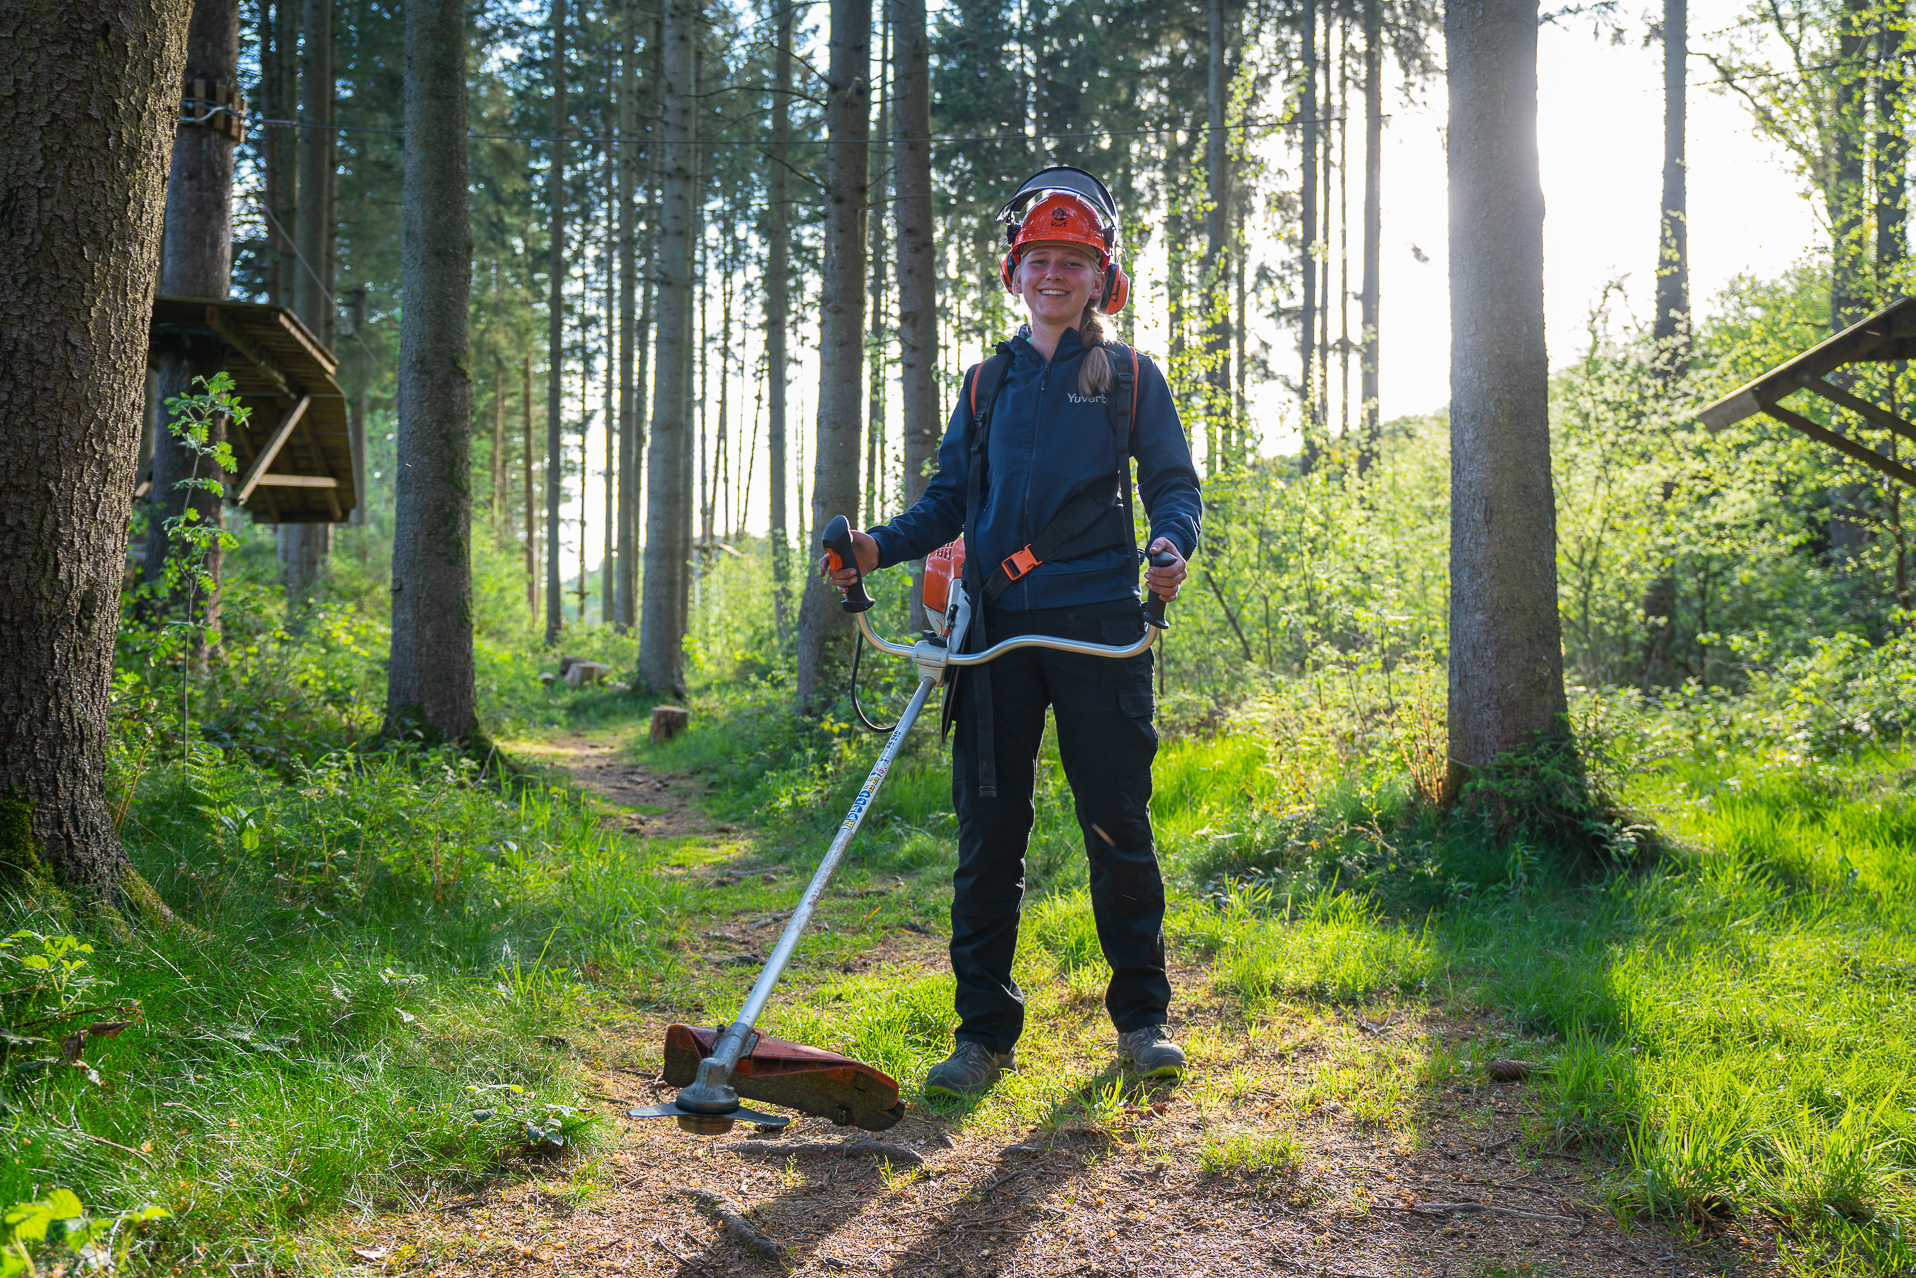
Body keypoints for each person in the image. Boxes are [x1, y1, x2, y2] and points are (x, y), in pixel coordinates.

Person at [826, 166, 1202, 1099]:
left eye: (1073, 259)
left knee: (1118, 825)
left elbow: (1174, 485)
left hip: (1097, 628)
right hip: (989, 633)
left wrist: (1169, 542)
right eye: (1040, 257)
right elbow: (950, 500)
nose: (1053, 274)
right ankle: (982, 1035)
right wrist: (873, 548)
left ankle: (1143, 1022)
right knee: (988, 835)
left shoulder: (1127, 377)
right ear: (1015, 271)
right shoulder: (986, 383)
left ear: (1100, 277)